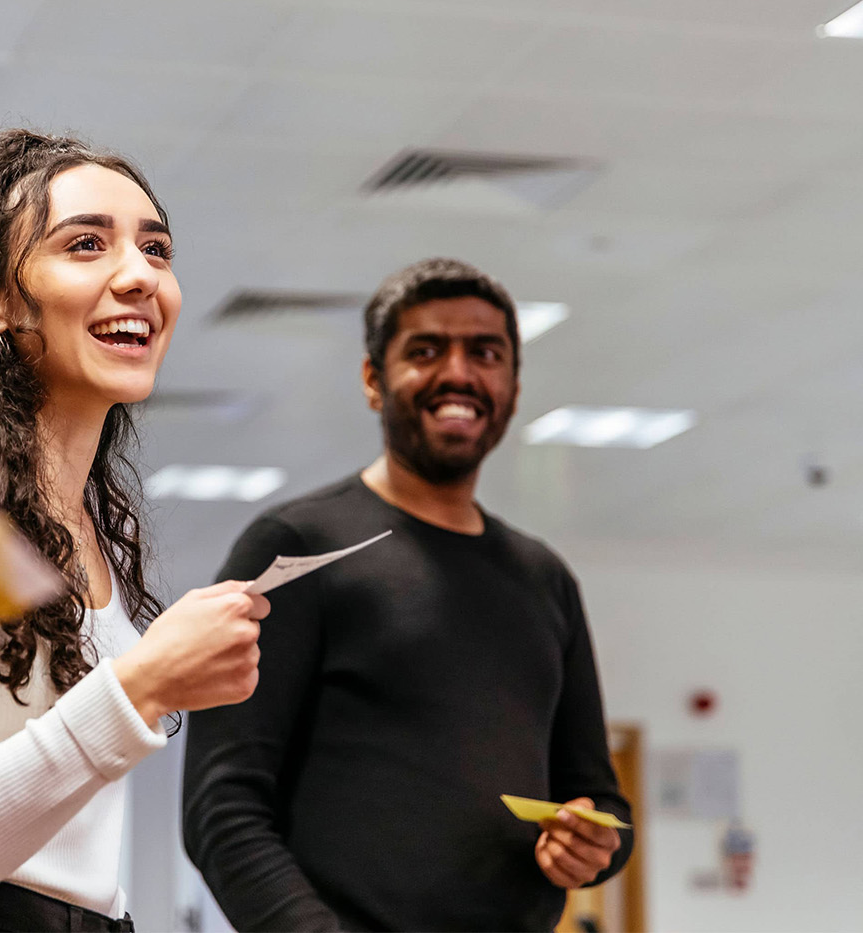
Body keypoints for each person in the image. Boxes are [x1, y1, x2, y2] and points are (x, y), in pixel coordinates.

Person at [0, 128, 268, 933]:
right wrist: (141, 686)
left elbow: (68, 846)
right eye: (86, 244)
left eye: (156, 248)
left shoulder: (77, 523)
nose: (139, 276)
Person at [183, 257, 633, 931]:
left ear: (511, 384)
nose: (459, 372)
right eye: (426, 350)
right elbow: (222, 807)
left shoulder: (546, 579)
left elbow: (599, 798)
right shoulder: (296, 546)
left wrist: (598, 844)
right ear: (373, 378)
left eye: (486, 353)